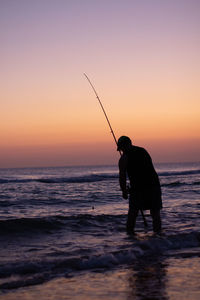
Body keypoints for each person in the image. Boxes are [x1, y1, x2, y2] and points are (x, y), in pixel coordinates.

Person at [117, 136, 162, 234]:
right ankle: (158, 238)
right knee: (155, 212)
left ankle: (130, 237)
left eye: (121, 148)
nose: (122, 150)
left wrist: (124, 191)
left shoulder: (124, 158)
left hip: (139, 188)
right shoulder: (143, 151)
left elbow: (122, 176)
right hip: (154, 185)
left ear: (125, 145)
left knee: (133, 213)